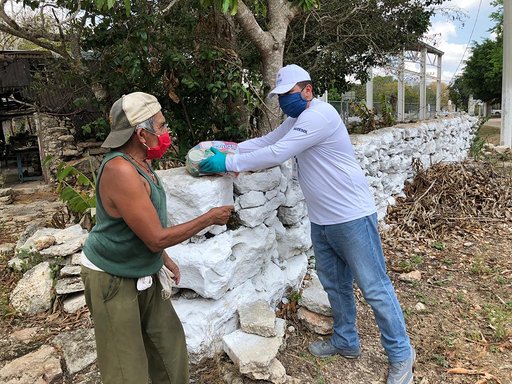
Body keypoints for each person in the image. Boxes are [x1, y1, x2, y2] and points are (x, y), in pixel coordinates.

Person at [199, 65, 416, 384]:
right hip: (323, 219)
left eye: (288, 95)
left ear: (307, 91)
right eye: (281, 97)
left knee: (374, 287)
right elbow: (266, 140)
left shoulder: (320, 116)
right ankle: (346, 340)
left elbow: (277, 152)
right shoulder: (296, 119)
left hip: (352, 215)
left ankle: (401, 356)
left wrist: (228, 163)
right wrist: (228, 148)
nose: (284, 102)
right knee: (335, 284)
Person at [81, 92, 233, 384]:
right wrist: (210, 217)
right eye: (161, 127)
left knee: (169, 349)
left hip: (142, 270)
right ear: (141, 134)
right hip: (112, 277)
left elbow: (141, 225)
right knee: (127, 370)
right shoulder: (120, 170)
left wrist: (163, 258)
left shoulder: (141, 163)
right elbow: (154, 237)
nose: (167, 133)